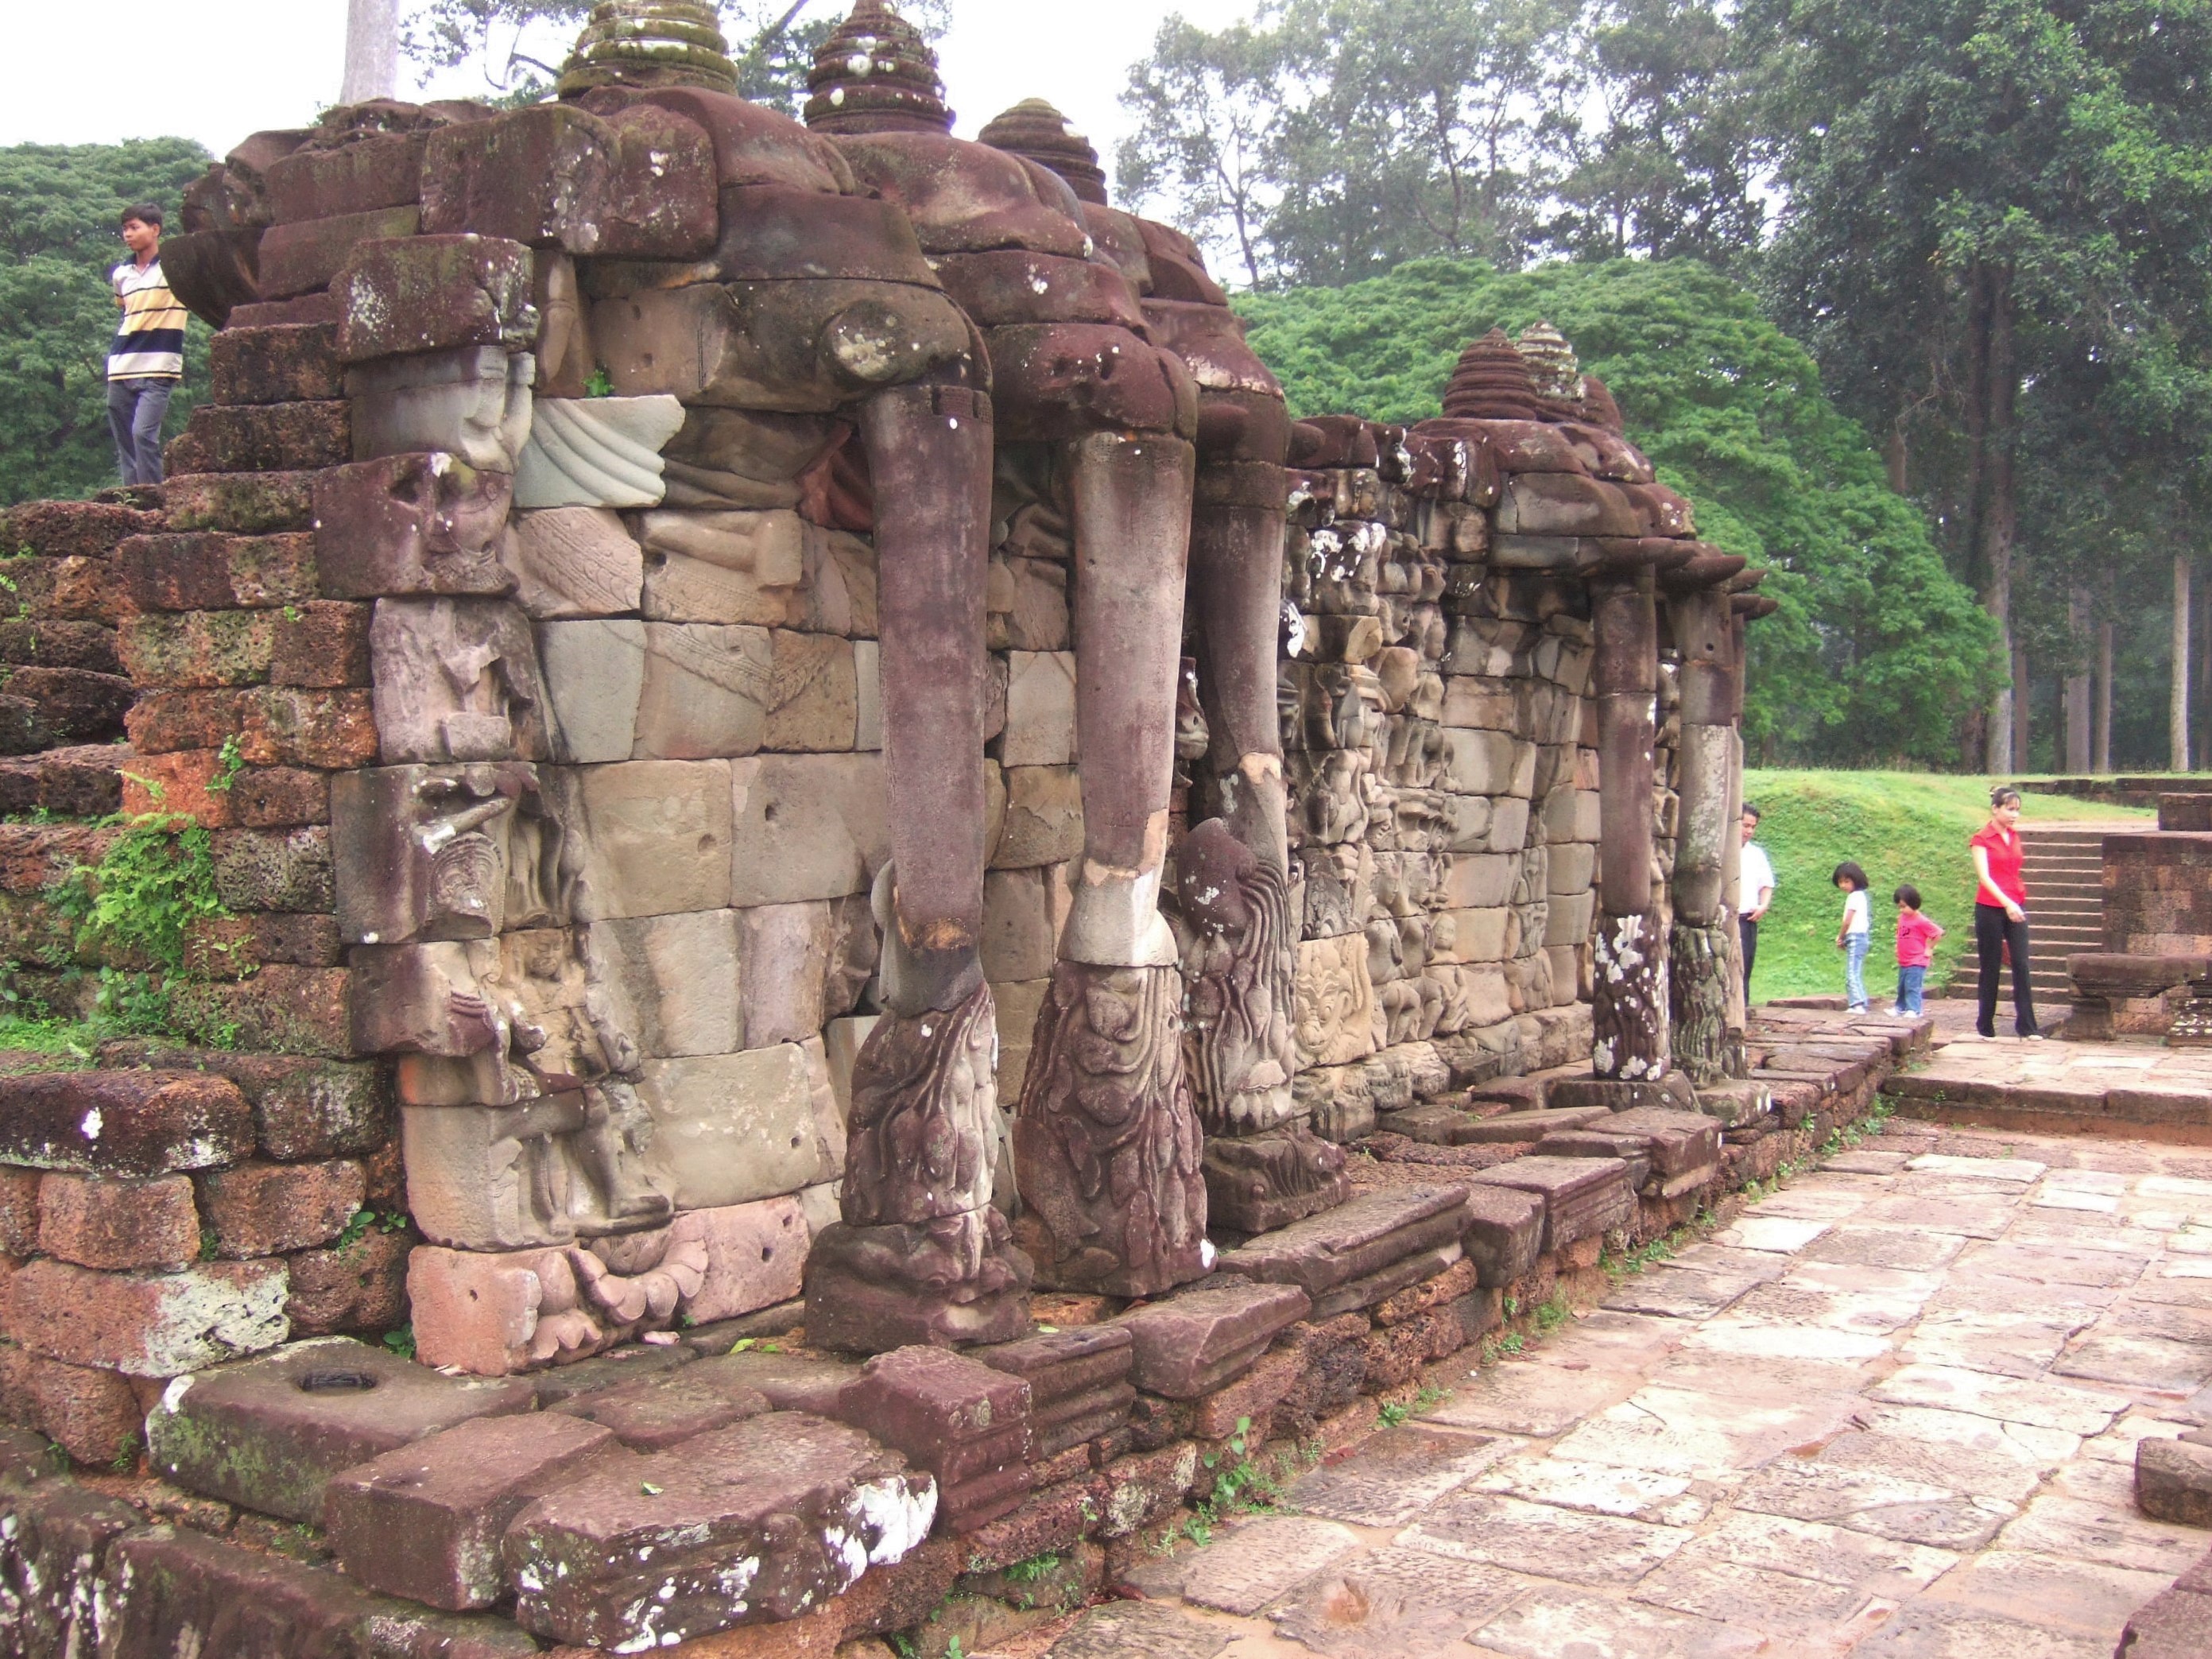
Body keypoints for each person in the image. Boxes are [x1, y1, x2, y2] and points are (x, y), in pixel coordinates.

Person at [107, 203, 186, 487]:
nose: (127, 234)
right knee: (126, 444)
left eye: (134, 227)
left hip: (159, 366)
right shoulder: (122, 274)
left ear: (155, 229)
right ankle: (132, 503)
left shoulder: (175, 268)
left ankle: (153, 500)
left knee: (143, 435)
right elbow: (125, 310)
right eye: (125, 229)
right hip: (121, 366)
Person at [1971, 785, 2043, 1040]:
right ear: (1995, 809)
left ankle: (2027, 1026)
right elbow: (1985, 877)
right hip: (1990, 907)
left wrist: (2015, 902)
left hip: (2016, 903)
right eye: (2009, 809)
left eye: (2017, 810)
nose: (2014, 815)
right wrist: (2007, 903)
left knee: (2021, 963)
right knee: (1990, 966)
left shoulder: (2014, 836)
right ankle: (1985, 1025)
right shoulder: (1981, 839)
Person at [1891, 884, 1944, 1017]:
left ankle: (1914, 1009)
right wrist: (1897, 948)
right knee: (1902, 986)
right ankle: (1900, 1007)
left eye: (1904, 906)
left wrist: (1929, 948)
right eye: (1900, 907)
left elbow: (1937, 933)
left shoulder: (1921, 920)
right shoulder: (1902, 918)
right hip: (1904, 959)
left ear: (1913, 903)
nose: (1902, 910)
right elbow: (1900, 934)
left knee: (1912, 986)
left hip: (1917, 960)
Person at [1739, 805, 1776, 992]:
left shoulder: (1756, 854)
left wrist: (1763, 906)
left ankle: (1742, 1010)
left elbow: (1767, 884)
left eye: (1753, 827)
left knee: (1745, 966)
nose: (1749, 831)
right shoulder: (1720, 850)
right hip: (1723, 917)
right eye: (1745, 825)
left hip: (1747, 918)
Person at [1833, 861, 1872, 1012]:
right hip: (1860, 936)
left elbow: (1847, 920)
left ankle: (1857, 1004)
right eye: (1840, 882)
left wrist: (1840, 936)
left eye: (1847, 881)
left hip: (1855, 936)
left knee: (1852, 972)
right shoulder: (1860, 896)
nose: (1843, 885)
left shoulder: (1854, 897)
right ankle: (1860, 1001)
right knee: (1855, 970)